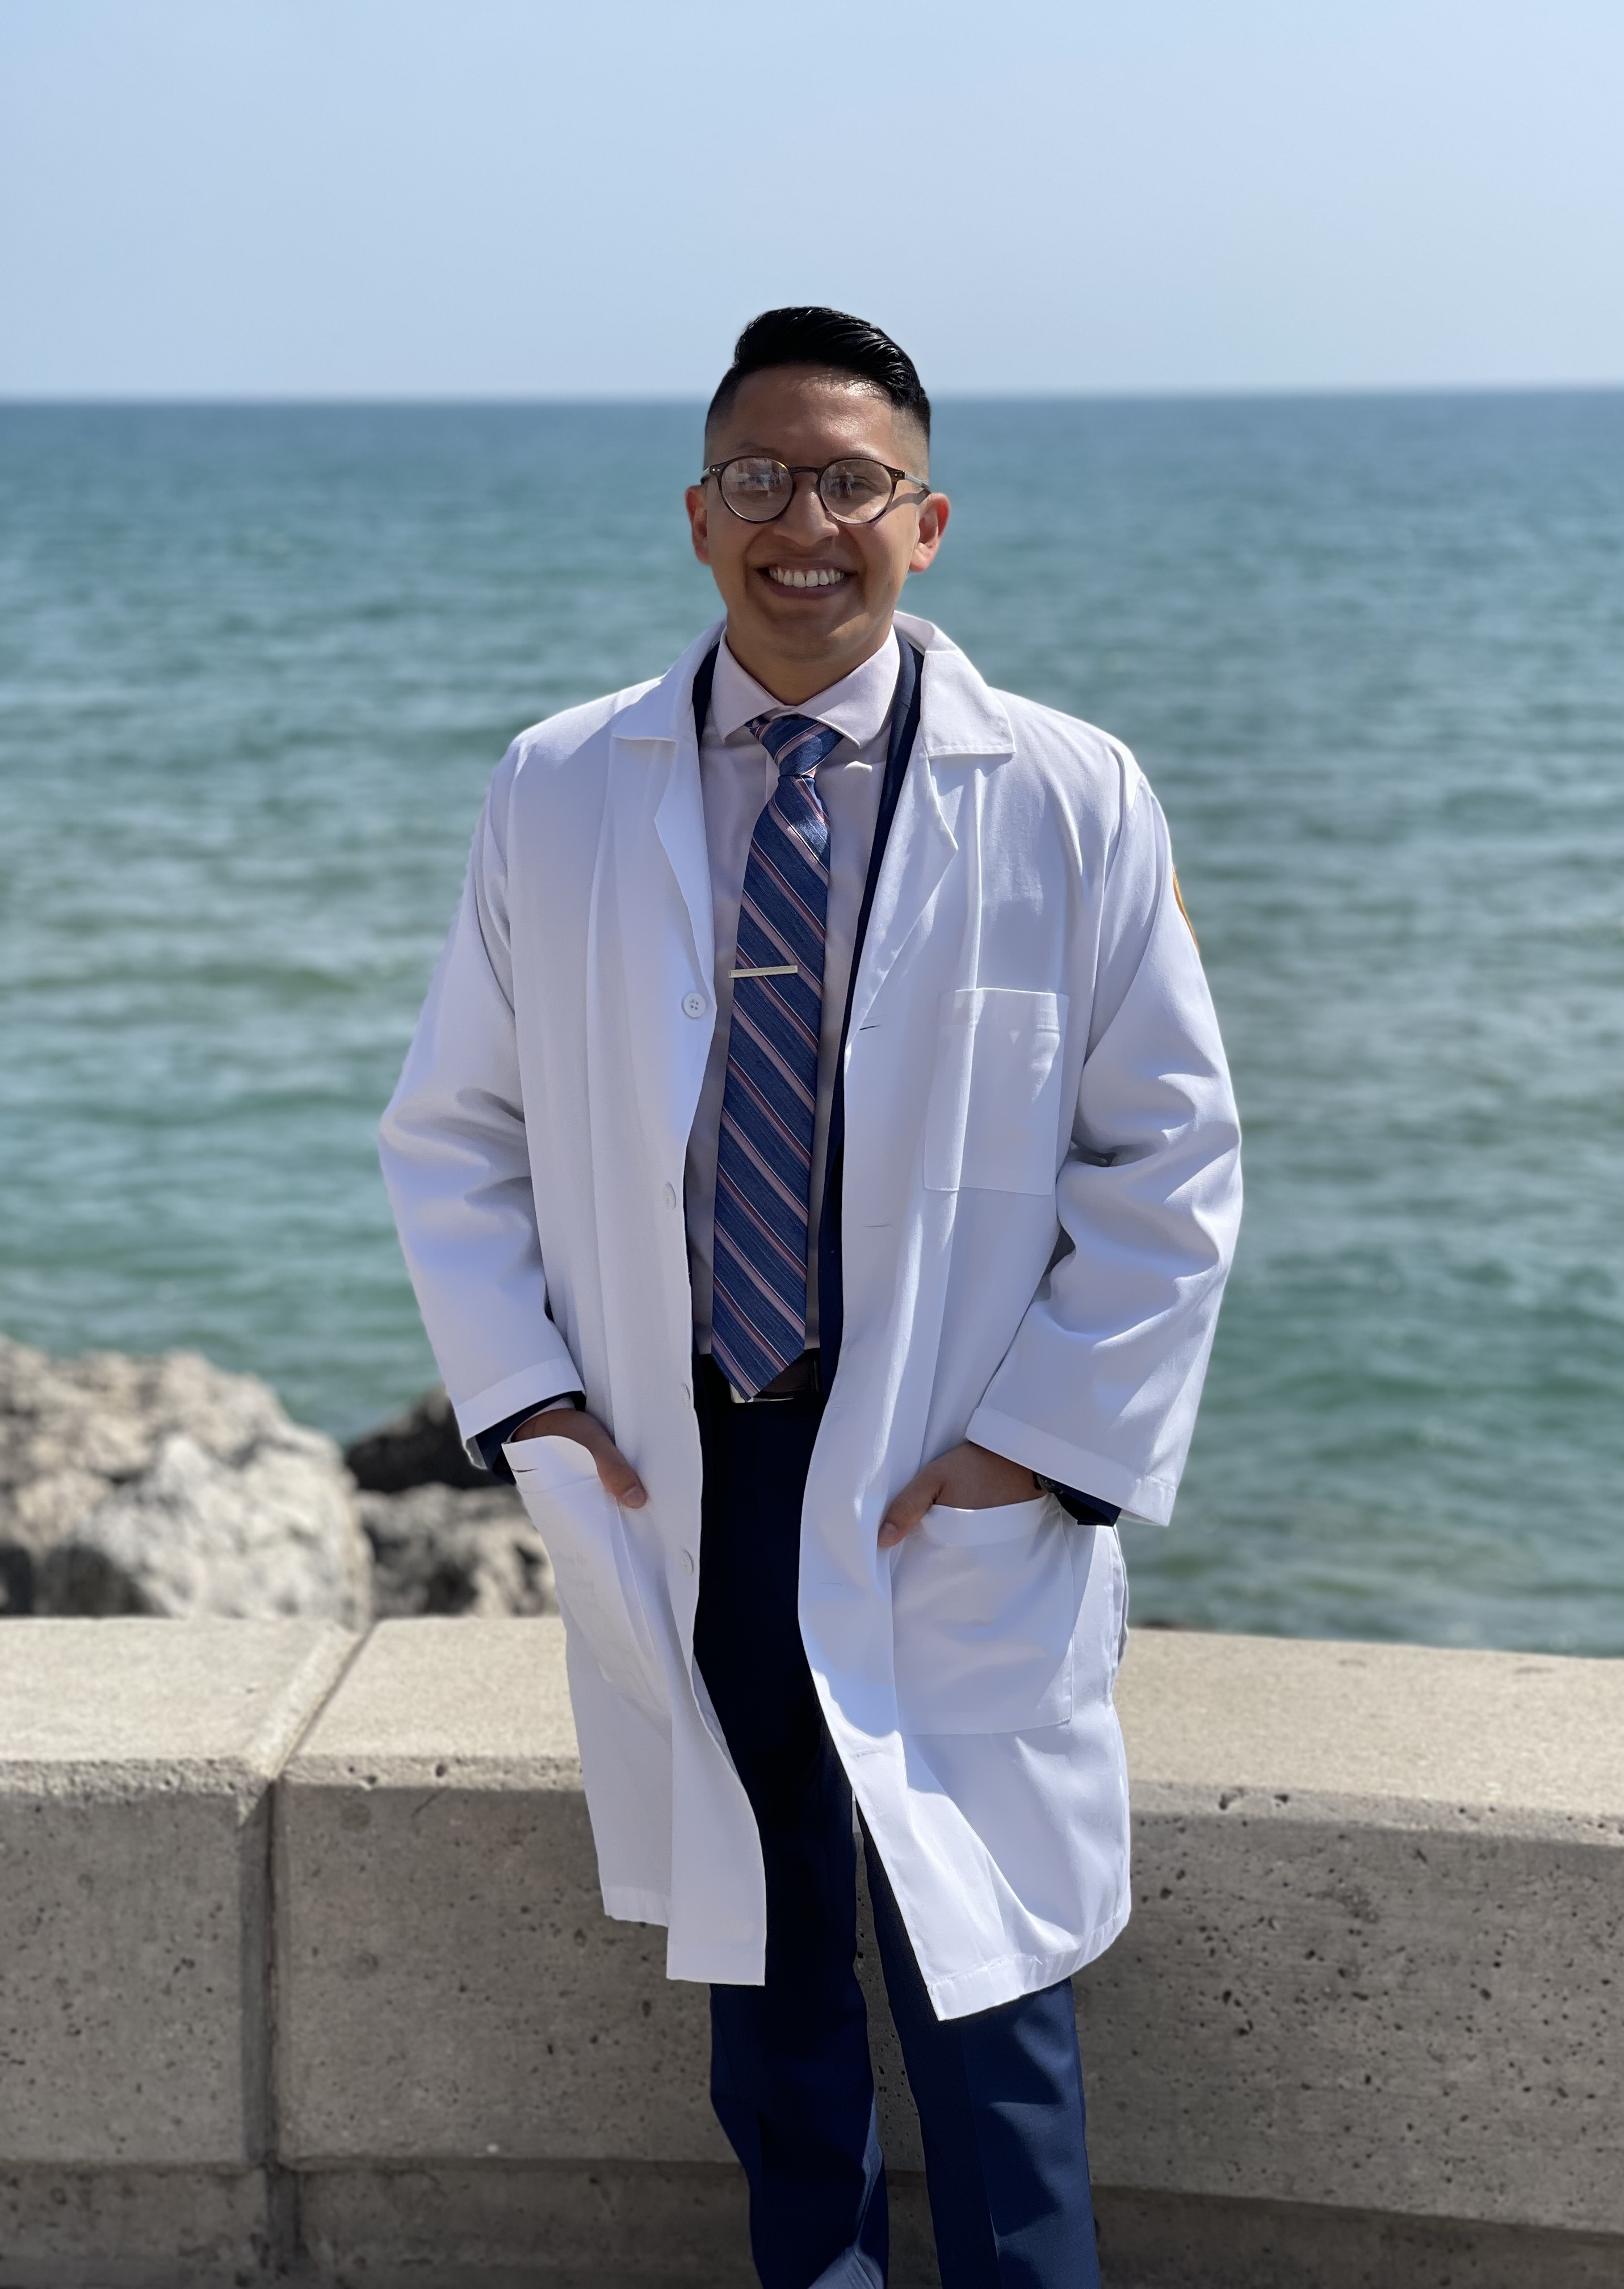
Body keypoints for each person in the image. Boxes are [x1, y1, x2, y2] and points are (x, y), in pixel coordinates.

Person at [380, 306, 1241, 2289]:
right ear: (699, 517)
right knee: (768, 2003)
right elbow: (454, 1130)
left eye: (854, 484)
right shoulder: (559, 788)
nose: (805, 524)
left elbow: (1173, 1156)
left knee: (988, 1997)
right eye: (761, 480)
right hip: (683, 1461)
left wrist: (1040, 1445)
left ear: (926, 523)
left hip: (950, 1467)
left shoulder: (1072, 794)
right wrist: (530, 1401)